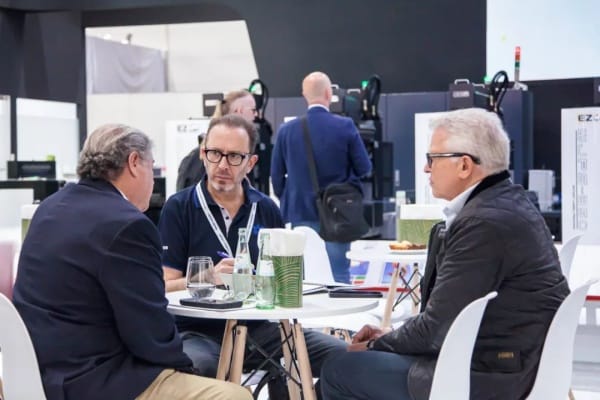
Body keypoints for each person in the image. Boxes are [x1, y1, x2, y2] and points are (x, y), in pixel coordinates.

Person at [320, 108, 570, 400]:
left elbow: (436, 329)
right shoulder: (512, 203)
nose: (426, 169)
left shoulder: (482, 224)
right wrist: (388, 337)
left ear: (464, 165)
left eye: (432, 159)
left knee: (339, 370)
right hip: (510, 359)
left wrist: (378, 344)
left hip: (487, 373)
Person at [12, 124, 251, 400]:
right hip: (97, 381)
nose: (154, 181)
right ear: (134, 162)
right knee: (235, 395)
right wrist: (186, 371)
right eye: (152, 167)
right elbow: (150, 333)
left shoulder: (49, 208)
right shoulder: (127, 226)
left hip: (36, 375)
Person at [159, 114, 347, 396]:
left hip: (260, 328)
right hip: (199, 330)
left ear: (251, 162)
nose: (223, 165)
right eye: (215, 153)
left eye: (235, 156)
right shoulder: (179, 207)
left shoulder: (266, 208)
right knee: (200, 369)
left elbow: (285, 282)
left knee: (343, 356)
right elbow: (163, 285)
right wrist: (208, 277)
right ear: (202, 153)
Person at [270, 71, 371, 283]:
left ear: (304, 95)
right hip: (338, 213)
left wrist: (291, 196)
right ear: (328, 93)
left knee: (306, 276)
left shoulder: (286, 131)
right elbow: (364, 168)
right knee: (339, 274)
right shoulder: (345, 126)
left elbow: (276, 176)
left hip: (300, 212)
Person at [176, 89, 257, 191]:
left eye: (233, 156)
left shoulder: (193, 158)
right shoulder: (197, 163)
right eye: (253, 110)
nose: (256, 115)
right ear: (239, 111)